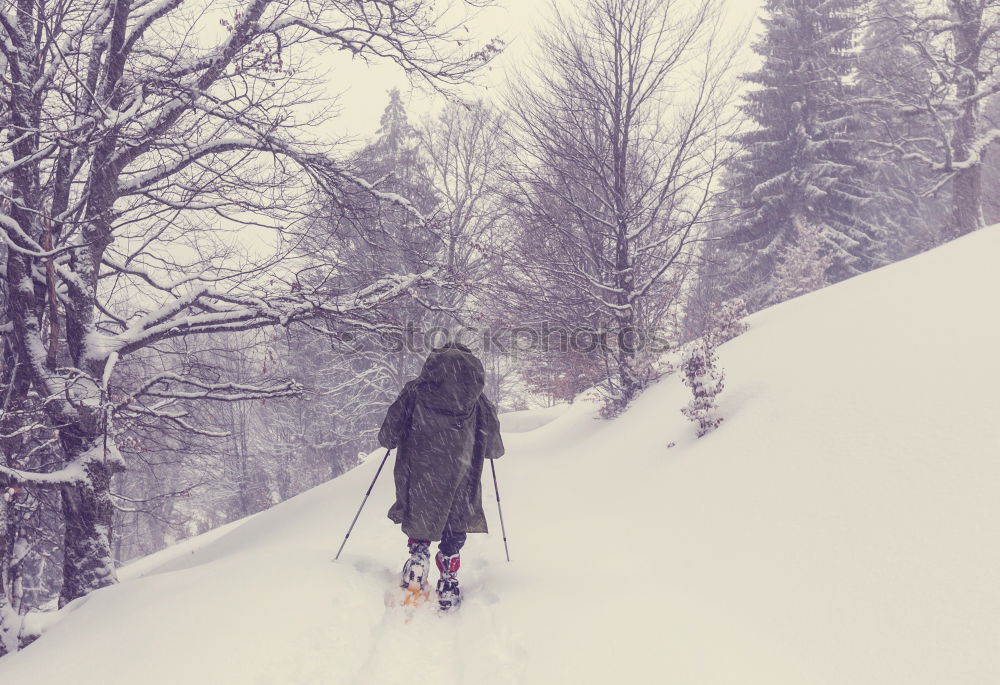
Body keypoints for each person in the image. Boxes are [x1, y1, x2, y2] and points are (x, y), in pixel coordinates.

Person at [377, 342, 504, 611]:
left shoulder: (415, 392)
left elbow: (388, 434)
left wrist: (393, 438)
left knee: (422, 510)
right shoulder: (478, 400)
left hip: (420, 470)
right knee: (456, 517)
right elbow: (494, 447)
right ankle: (448, 576)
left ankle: (418, 560)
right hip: (462, 471)